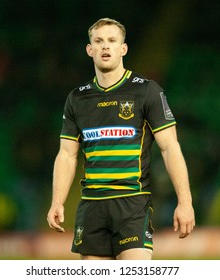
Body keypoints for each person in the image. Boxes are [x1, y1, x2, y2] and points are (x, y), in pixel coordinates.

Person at [47, 17, 195, 260]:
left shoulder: (146, 91)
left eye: (112, 41)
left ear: (123, 48)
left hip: (132, 204)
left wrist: (185, 202)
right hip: (92, 206)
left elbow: (170, 148)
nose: (106, 46)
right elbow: (67, 154)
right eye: (99, 41)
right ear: (90, 49)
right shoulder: (77, 98)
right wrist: (57, 201)